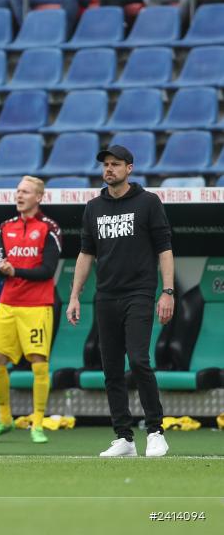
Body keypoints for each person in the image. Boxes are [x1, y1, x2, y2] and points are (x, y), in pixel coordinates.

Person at [67, 146, 173, 458]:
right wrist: (75, 295)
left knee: (139, 360)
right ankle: (124, 437)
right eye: (106, 165)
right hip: (106, 296)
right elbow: (86, 253)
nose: (109, 169)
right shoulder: (93, 207)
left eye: (115, 164)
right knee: (111, 368)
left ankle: (155, 430)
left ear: (130, 168)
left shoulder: (149, 202)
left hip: (139, 293)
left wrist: (167, 292)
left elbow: (164, 248)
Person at [0, 176, 61, 445]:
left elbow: (48, 270)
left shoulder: (49, 228)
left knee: (39, 362)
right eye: (17, 191)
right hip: (8, 303)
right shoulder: (5, 228)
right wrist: (5, 271)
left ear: (39, 197)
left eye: (25, 192)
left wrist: (16, 271)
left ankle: (37, 423)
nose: (19, 195)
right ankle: (4, 419)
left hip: (37, 306)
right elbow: (2, 263)